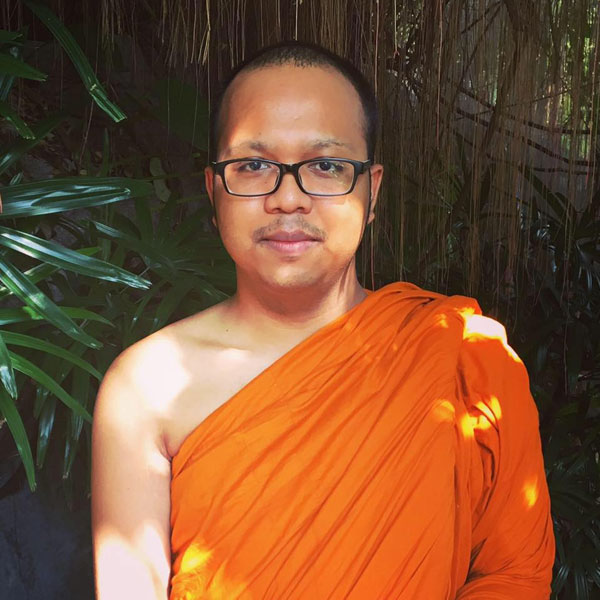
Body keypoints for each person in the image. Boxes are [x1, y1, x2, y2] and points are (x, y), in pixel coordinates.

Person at [91, 40, 555, 599]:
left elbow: (513, 578)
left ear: (372, 191)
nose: (288, 199)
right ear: (214, 191)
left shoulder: (463, 356)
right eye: (253, 165)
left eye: (327, 166)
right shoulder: (146, 387)